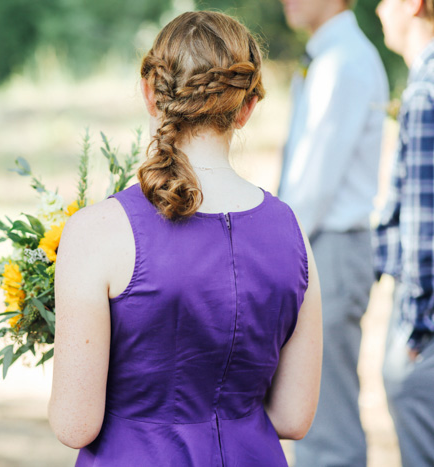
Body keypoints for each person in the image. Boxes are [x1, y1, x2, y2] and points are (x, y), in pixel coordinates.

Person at [48, 11, 322, 466]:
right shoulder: (293, 232)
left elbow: (75, 423)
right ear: (247, 108)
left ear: (150, 94)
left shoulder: (98, 233)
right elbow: (293, 417)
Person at [278, 0, 389, 465]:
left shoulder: (343, 61)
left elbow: (312, 184)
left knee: (327, 420)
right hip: (321, 241)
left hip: (329, 246)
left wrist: (266, 246)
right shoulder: (330, 55)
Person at [374, 0, 434, 465]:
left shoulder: (424, 92)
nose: (377, 9)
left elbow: (424, 224)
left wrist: (415, 329)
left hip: (427, 318)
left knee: (406, 388)